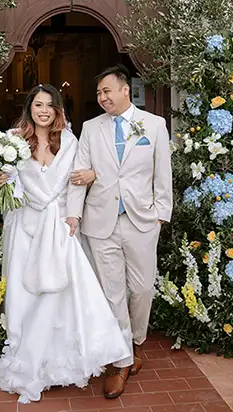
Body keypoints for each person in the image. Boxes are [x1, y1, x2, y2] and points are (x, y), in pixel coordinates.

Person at [0, 84, 130, 403]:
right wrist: (2, 178)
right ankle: (26, 347)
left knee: (66, 290)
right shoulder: (13, 139)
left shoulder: (70, 141)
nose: (44, 110)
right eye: (38, 105)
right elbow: (8, 180)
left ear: (59, 109)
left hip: (61, 223)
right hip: (24, 224)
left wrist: (80, 197)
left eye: (50, 105)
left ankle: (70, 352)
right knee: (27, 290)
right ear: (30, 108)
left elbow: (78, 179)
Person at [66, 64, 172, 399]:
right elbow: (79, 174)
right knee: (112, 293)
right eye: (98, 93)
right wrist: (73, 215)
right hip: (101, 223)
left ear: (125, 90)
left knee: (141, 289)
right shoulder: (91, 128)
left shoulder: (154, 126)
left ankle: (135, 342)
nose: (102, 98)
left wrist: (160, 217)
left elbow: (162, 174)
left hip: (142, 221)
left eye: (106, 91)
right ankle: (121, 360)